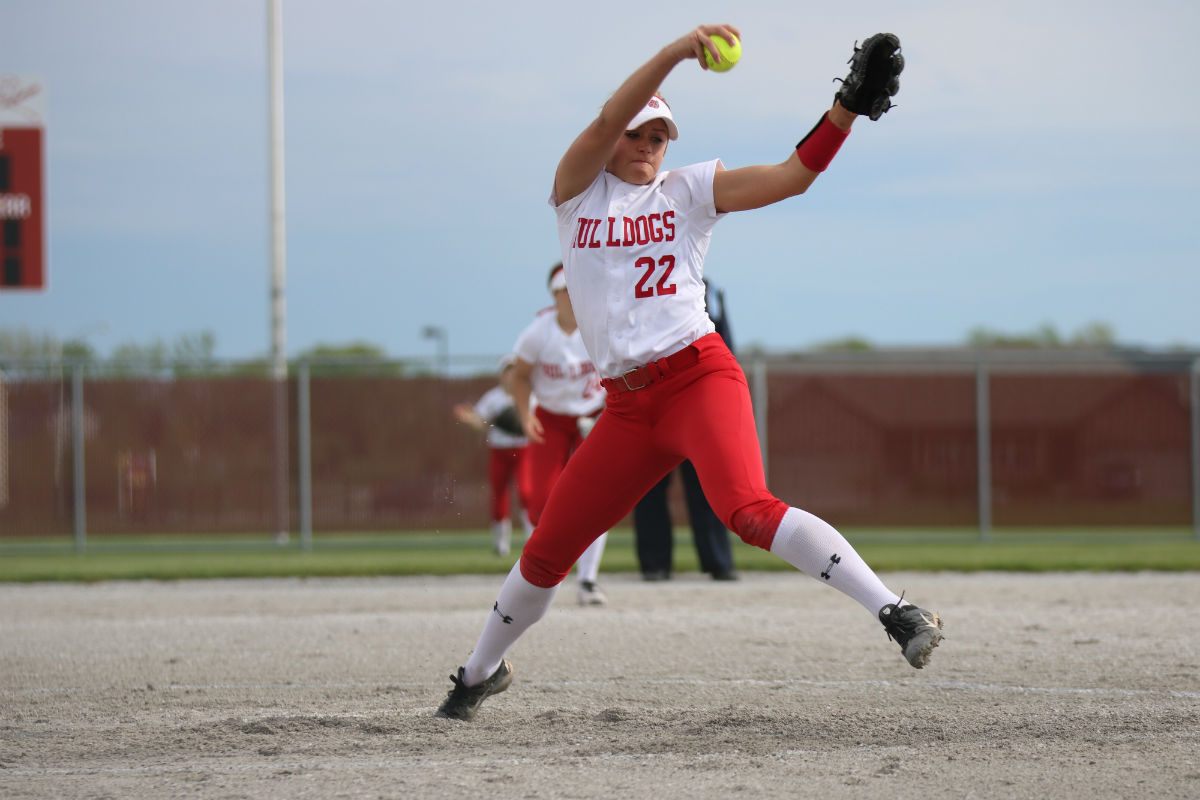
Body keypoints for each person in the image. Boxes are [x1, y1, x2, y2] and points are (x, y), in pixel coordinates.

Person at [436, 25, 942, 721]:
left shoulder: (687, 192)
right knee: (549, 548)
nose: (648, 147)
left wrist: (845, 111)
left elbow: (793, 177)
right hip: (626, 409)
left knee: (746, 508)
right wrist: (677, 52)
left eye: (659, 138)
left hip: (698, 378)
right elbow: (611, 115)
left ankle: (895, 610)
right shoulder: (575, 196)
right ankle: (477, 673)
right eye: (639, 136)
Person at [510, 263, 609, 606]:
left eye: (575, 289)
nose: (571, 297)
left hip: (592, 415)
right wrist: (525, 414)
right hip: (550, 418)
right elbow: (518, 375)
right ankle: (540, 574)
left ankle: (588, 580)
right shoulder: (539, 332)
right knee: (540, 504)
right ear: (554, 297)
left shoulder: (598, 325)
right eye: (564, 292)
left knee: (598, 500)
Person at [634, 277, 737, 581]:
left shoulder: (709, 290)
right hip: (656, 401)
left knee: (708, 486)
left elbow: (725, 349)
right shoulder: (645, 289)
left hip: (699, 405)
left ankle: (718, 561)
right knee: (649, 487)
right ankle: (654, 564)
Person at [452, 355, 534, 556]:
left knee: (526, 493)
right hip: (500, 449)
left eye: (514, 370)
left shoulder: (529, 394)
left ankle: (532, 541)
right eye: (507, 371)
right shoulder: (493, 397)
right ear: (501, 374)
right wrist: (469, 418)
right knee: (499, 494)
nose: (511, 375)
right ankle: (501, 544)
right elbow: (480, 424)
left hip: (524, 449)